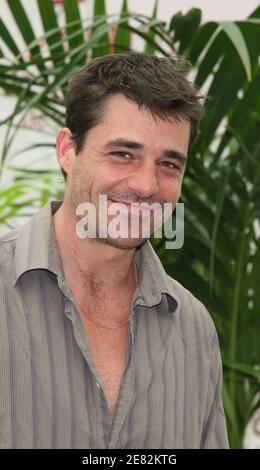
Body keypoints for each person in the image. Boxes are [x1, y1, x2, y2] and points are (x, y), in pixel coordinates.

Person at [0, 52, 229, 449]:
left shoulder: (194, 329)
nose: (146, 185)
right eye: (123, 154)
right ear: (67, 150)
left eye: (169, 164)